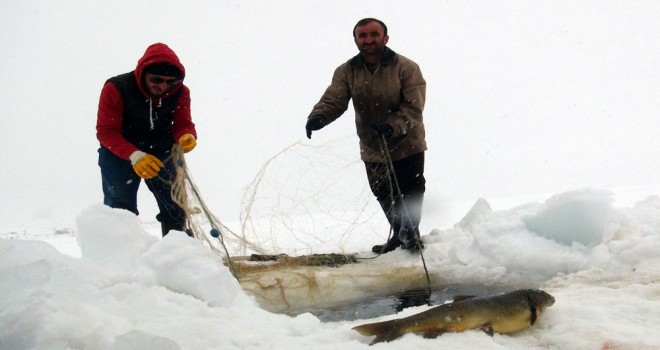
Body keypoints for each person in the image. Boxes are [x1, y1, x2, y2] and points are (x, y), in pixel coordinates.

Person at [305, 18, 427, 253]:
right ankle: (398, 234)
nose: (368, 40)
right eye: (362, 36)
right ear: (356, 40)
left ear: (385, 38)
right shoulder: (346, 71)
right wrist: (318, 116)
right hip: (372, 146)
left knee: (410, 191)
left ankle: (411, 236)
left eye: (374, 34)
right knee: (383, 192)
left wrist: (393, 125)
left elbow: (414, 107)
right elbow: (334, 99)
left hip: (406, 142)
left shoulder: (407, 67)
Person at [96, 43, 198, 237]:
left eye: (170, 81)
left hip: (161, 151)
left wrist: (187, 135)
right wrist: (134, 155)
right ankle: (123, 256)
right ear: (142, 73)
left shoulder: (180, 92)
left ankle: (176, 253)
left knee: (174, 204)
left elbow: (182, 122)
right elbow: (106, 131)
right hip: (120, 152)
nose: (163, 86)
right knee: (120, 208)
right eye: (156, 79)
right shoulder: (116, 88)